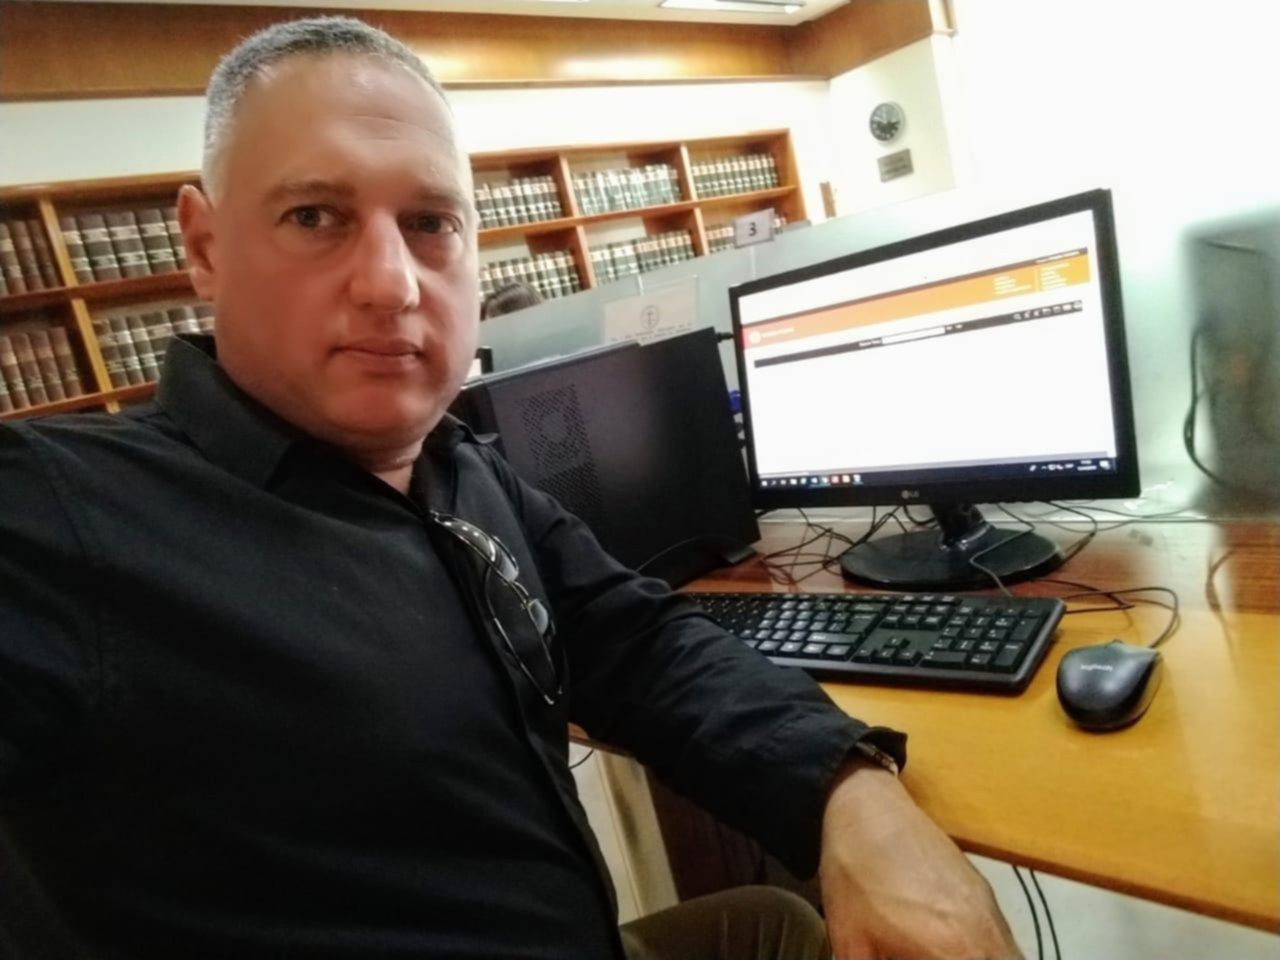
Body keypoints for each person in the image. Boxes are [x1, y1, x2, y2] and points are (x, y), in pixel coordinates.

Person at [0, 17, 1021, 960]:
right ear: (205, 247)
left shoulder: (457, 468)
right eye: (315, 216)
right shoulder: (61, 518)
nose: (392, 282)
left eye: (430, 221)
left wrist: (851, 795)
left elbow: (636, 641)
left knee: (774, 924)